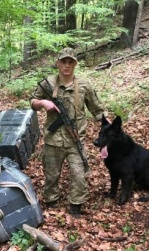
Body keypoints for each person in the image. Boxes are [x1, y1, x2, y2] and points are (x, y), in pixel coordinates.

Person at [30, 47, 105, 217]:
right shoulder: (48, 83)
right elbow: (32, 102)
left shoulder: (85, 85)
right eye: (63, 61)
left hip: (75, 139)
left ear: (75, 64)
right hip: (53, 140)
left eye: (70, 62)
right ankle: (51, 201)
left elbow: (97, 110)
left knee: (79, 175)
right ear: (57, 63)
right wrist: (42, 103)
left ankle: (76, 205)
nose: (67, 65)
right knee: (51, 175)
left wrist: (109, 127)